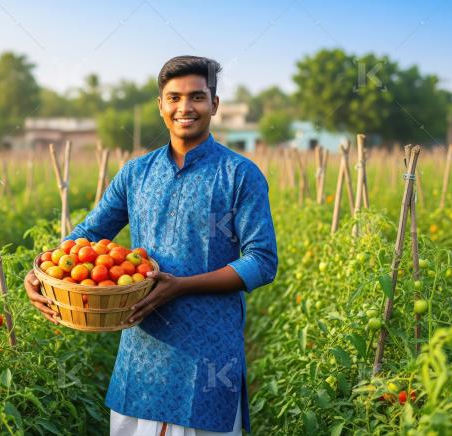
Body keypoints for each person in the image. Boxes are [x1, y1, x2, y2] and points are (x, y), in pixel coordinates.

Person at [24, 55, 278, 435]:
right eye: (173, 98)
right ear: (161, 106)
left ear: (215, 105)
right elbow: (88, 234)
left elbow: (261, 261)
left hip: (208, 354)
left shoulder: (239, 175)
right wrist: (43, 271)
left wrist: (183, 285)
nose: (184, 107)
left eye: (197, 97)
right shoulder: (136, 173)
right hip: (142, 352)